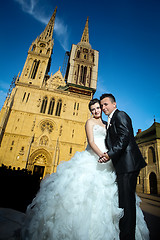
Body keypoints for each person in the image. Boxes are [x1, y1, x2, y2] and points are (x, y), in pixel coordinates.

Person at [21, 98, 149, 240]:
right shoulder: (90, 122)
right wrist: (103, 155)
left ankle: (124, 232)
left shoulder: (109, 123)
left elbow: (118, 139)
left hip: (108, 160)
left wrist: (109, 156)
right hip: (95, 158)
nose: (96, 111)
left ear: (102, 108)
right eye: (93, 109)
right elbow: (91, 141)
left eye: (98, 108)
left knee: (117, 198)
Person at [99, 93, 147, 240]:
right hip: (123, 165)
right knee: (125, 202)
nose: (103, 107)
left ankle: (127, 236)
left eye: (106, 104)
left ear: (114, 104)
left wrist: (109, 154)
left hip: (128, 164)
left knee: (127, 203)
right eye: (102, 106)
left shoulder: (120, 115)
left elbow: (124, 136)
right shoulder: (110, 120)